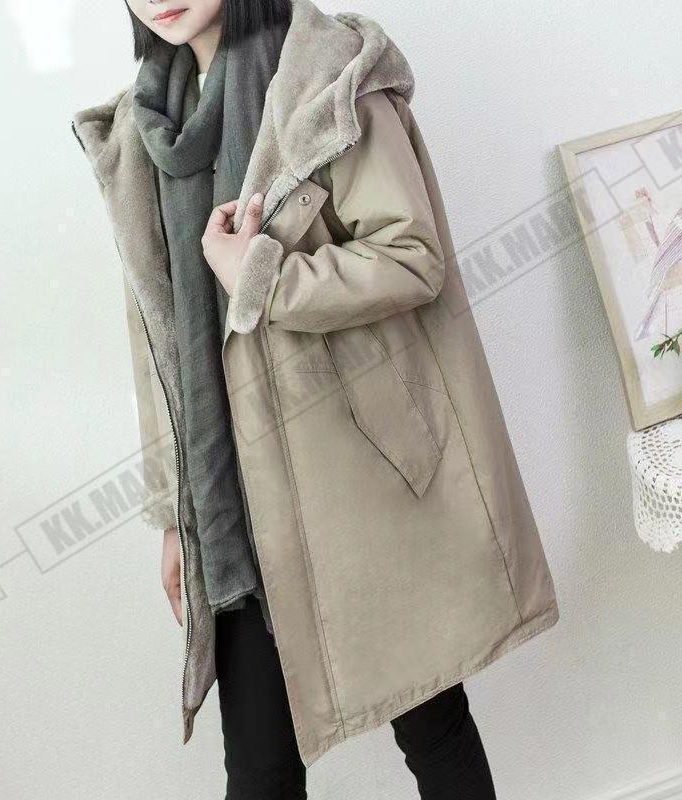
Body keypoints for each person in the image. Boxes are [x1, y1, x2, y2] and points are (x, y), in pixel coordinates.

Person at [70, 0, 560, 797]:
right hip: (232, 508)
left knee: (431, 728)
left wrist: (261, 275)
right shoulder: (142, 134)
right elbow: (156, 345)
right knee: (260, 773)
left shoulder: (326, 80)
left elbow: (412, 256)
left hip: (359, 484)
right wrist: (173, 515)